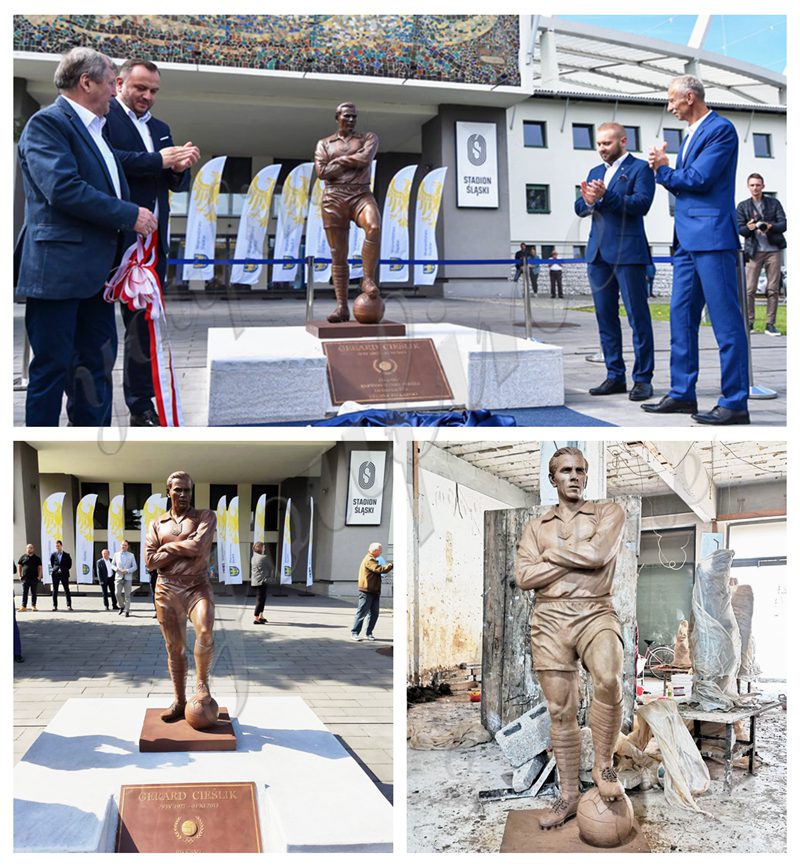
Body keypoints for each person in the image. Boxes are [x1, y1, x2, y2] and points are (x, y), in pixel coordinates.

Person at [14, 47, 157, 426]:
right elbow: (63, 188)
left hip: (98, 276)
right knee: (51, 369)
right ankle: (38, 450)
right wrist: (130, 215)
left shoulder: (97, 132)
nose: (115, 92)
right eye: (112, 83)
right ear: (86, 82)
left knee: (95, 367)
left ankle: (94, 440)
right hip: (58, 273)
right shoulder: (48, 124)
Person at [515, 447, 626, 829]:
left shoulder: (609, 512)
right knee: (561, 711)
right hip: (549, 619)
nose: (574, 476)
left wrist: (550, 558)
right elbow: (524, 578)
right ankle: (567, 796)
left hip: (596, 610)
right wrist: (573, 556)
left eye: (580, 470)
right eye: (566, 470)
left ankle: (604, 766)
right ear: (553, 479)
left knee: (609, 678)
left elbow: (598, 554)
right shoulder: (536, 526)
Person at [643, 74, 750, 425]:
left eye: (672, 100)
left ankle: (734, 402)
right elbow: (688, 185)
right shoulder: (689, 135)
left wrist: (662, 169)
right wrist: (667, 169)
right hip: (687, 241)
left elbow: (700, 181)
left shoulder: (721, 129)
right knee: (681, 318)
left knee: (726, 324)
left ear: (690, 97)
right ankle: (682, 393)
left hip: (713, 239)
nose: (669, 106)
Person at [104, 59, 200, 426]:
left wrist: (181, 165)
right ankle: (88, 406)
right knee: (98, 328)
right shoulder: (104, 117)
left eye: (154, 90)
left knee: (142, 328)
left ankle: (141, 406)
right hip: (115, 239)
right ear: (119, 83)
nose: (147, 96)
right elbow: (111, 161)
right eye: (140, 88)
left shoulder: (162, 128)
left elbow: (174, 183)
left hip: (153, 244)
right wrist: (158, 160)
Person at [575, 122, 656, 401]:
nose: (601, 149)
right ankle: (614, 376)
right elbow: (580, 206)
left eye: (606, 144)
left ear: (623, 141)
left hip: (628, 253)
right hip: (597, 255)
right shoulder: (595, 172)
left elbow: (641, 204)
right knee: (605, 318)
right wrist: (587, 200)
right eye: (598, 144)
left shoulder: (640, 168)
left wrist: (605, 196)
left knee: (637, 317)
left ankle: (643, 379)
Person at [145, 471, 217, 724]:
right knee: (174, 648)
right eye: (178, 490)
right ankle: (179, 701)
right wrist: (182, 548)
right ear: (168, 492)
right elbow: (150, 562)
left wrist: (166, 548)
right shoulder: (157, 523)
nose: (184, 494)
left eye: (187, 490)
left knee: (205, 631)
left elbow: (198, 547)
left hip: (197, 586)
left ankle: (202, 684)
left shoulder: (205, 516)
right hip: (167, 589)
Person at [313, 102, 381, 322]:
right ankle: (342, 307)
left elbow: (365, 159)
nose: (351, 120)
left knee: (374, 226)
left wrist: (340, 161)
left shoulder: (368, 138)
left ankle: (367, 279)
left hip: (361, 194)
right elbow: (322, 173)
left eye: (354, 117)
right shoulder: (324, 143)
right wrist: (351, 161)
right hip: (334, 198)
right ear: (337, 117)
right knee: (338, 254)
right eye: (347, 116)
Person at [736, 173, 786, 336]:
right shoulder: (743, 206)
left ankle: (770, 324)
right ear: (748, 187)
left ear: (763, 186)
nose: (755, 188)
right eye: (752, 185)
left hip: (773, 250)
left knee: (773, 289)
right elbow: (739, 229)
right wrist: (749, 228)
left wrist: (769, 226)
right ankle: (750, 322)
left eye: (758, 185)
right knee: (749, 289)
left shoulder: (774, 203)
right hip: (753, 251)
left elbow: (783, 224)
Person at [351, 542, 393, 641]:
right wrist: (391, 565)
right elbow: (379, 569)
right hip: (366, 590)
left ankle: (368, 633)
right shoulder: (369, 559)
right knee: (362, 612)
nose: (381, 551)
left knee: (374, 613)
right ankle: (354, 632)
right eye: (380, 550)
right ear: (375, 551)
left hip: (374, 591)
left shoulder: (373, 559)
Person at [112, 539, 138, 617]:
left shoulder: (131, 555)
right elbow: (112, 565)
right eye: (123, 545)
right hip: (118, 577)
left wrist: (127, 570)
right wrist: (117, 569)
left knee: (127, 595)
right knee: (117, 593)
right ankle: (122, 606)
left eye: (125, 545)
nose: (124, 546)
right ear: (121, 546)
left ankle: (127, 610)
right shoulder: (116, 555)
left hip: (128, 578)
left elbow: (135, 567)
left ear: (127, 546)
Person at [17, 544, 43, 612]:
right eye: (28, 548)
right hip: (25, 578)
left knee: (34, 592)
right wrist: (19, 575)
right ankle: (23, 606)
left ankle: (33, 606)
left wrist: (39, 576)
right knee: (24, 592)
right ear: (26, 549)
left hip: (34, 578)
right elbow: (19, 566)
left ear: (33, 549)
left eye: (31, 548)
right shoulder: (23, 557)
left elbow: (40, 567)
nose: (29, 549)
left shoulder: (37, 558)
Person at [251, 541, 272, 625]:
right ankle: (256, 618)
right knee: (260, 600)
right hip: (262, 581)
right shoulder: (264, 557)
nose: (264, 548)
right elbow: (270, 567)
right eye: (263, 547)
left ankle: (261, 616)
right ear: (260, 548)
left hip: (257, 580)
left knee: (262, 599)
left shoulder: (253, 557)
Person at [50, 540, 73, 611]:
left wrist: (64, 569)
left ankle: (69, 605)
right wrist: (56, 569)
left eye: (58, 546)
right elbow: (52, 563)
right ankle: (55, 606)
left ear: (61, 546)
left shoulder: (67, 555)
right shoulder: (53, 555)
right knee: (55, 590)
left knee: (66, 590)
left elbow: (69, 565)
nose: (57, 547)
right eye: (56, 546)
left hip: (64, 574)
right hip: (55, 574)